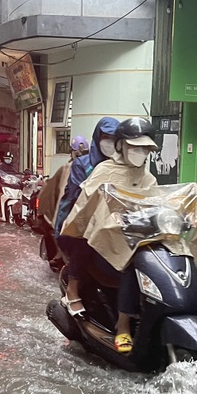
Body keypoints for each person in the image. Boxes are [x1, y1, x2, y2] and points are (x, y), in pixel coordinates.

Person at [60, 117, 159, 353]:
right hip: (102, 243)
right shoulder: (103, 170)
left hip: (134, 239)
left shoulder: (149, 178)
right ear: (121, 146)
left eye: (144, 148)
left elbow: (157, 205)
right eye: (134, 146)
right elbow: (82, 209)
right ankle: (122, 325)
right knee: (127, 261)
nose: (139, 152)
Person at [55, 116, 120, 316]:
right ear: (97, 138)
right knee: (84, 238)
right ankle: (72, 291)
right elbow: (76, 198)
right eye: (105, 138)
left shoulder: (125, 166)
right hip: (82, 221)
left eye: (114, 138)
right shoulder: (83, 164)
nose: (109, 143)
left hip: (115, 223)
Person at [0, 150, 17, 221]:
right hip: (1, 186)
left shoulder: (14, 168)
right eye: (6, 158)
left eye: (9, 159)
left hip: (11, 187)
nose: (7, 160)